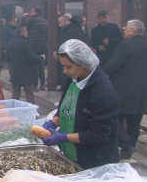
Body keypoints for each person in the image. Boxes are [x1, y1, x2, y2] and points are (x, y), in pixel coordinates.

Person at [42, 39, 119, 169]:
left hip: (93, 160)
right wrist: (53, 122)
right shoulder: (73, 79)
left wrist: (63, 137)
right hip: (71, 154)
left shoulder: (103, 93)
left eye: (68, 67)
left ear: (83, 64)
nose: (65, 71)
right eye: (63, 66)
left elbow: (98, 135)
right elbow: (64, 108)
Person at [103, 20, 147, 160]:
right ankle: (129, 149)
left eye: (126, 28)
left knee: (112, 117)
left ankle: (126, 145)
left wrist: (99, 76)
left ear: (132, 31)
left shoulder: (125, 45)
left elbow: (112, 65)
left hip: (123, 91)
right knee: (135, 121)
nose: (124, 30)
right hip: (143, 92)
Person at [5, 26, 45, 104]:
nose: (27, 33)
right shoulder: (27, 43)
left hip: (15, 74)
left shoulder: (9, 44)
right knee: (29, 96)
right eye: (26, 31)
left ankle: (13, 112)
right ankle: (32, 113)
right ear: (22, 32)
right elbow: (32, 58)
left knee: (15, 96)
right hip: (27, 74)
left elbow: (8, 60)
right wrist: (41, 57)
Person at [53, 14, 87, 89]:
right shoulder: (69, 30)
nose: (60, 25)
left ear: (66, 21)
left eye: (60, 23)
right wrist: (56, 50)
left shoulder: (73, 30)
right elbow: (62, 42)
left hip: (73, 60)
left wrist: (58, 51)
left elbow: (68, 44)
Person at [20, 7, 48, 91]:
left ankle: (35, 85)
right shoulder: (45, 21)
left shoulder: (32, 20)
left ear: (35, 12)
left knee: (34, 65)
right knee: (41, 65)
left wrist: (25, 17)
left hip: (34, 44)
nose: (30, 13)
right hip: (43, 44)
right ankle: (42, 84)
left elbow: (23, 27)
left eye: (31, 11)